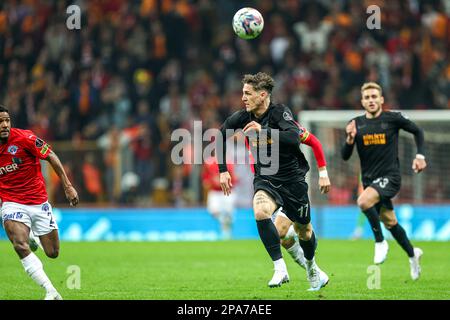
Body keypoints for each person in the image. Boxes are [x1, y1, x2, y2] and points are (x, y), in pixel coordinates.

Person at [217, 72, 329, 290]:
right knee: (260, 211)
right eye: (242, 93)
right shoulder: (243, 117)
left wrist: (264, 132)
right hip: (266, 180)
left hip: (292, 181)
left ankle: (312, 267)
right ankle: (280, 268)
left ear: (262, 95)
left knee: (303, 231)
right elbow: (220, 135)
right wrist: (223, 170)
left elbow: (293, 137)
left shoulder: (280, 113)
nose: (243, 98)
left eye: (247, 94)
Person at [341, 82, 426, 280]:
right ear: (362, 101)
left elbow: (418, 131)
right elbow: (345, 156)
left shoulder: (393, 118)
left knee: (362, 201)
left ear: (381, 99)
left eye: (374, 97)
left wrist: (420, 155)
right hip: (371, 181)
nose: (371, 100)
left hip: (391, 177)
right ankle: (413, 255)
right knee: (390, 222)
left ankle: (379, 242)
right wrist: (349, 139)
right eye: (367, 97)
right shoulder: (356, 123)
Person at [0, 105, 79, 299]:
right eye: (0, 121)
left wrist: (67, 186)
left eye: (7, 120)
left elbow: (51, 155)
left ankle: (33, 237)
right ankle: (50, 290)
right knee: (19, 244)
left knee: (53, 253)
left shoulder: (25, 138)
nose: (4, 125)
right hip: (11, 203)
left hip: (38, 202)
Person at [202, 154, 236, 240]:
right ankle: (223, 221)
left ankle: (227, 233)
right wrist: (209, 181)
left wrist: (232, 182)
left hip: (227, 191)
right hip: (215, 191)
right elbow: (205, 176)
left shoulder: (228, 162)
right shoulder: (208, 162)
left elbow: (233, 176)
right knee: (213, 211)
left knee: (229, 212)